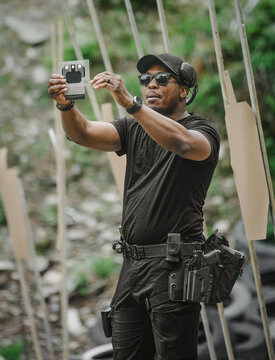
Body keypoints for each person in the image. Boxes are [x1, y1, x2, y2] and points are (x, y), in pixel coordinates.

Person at [48, 53, 220, 360]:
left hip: (174, 266)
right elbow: (81, 133)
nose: (151, 85)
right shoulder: (134, 127)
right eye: (145, 80)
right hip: (132, 264)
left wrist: (130, 101)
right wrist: (65, 105)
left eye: (162, 79)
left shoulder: (202, 131)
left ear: (184, 90)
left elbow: (182, 143)